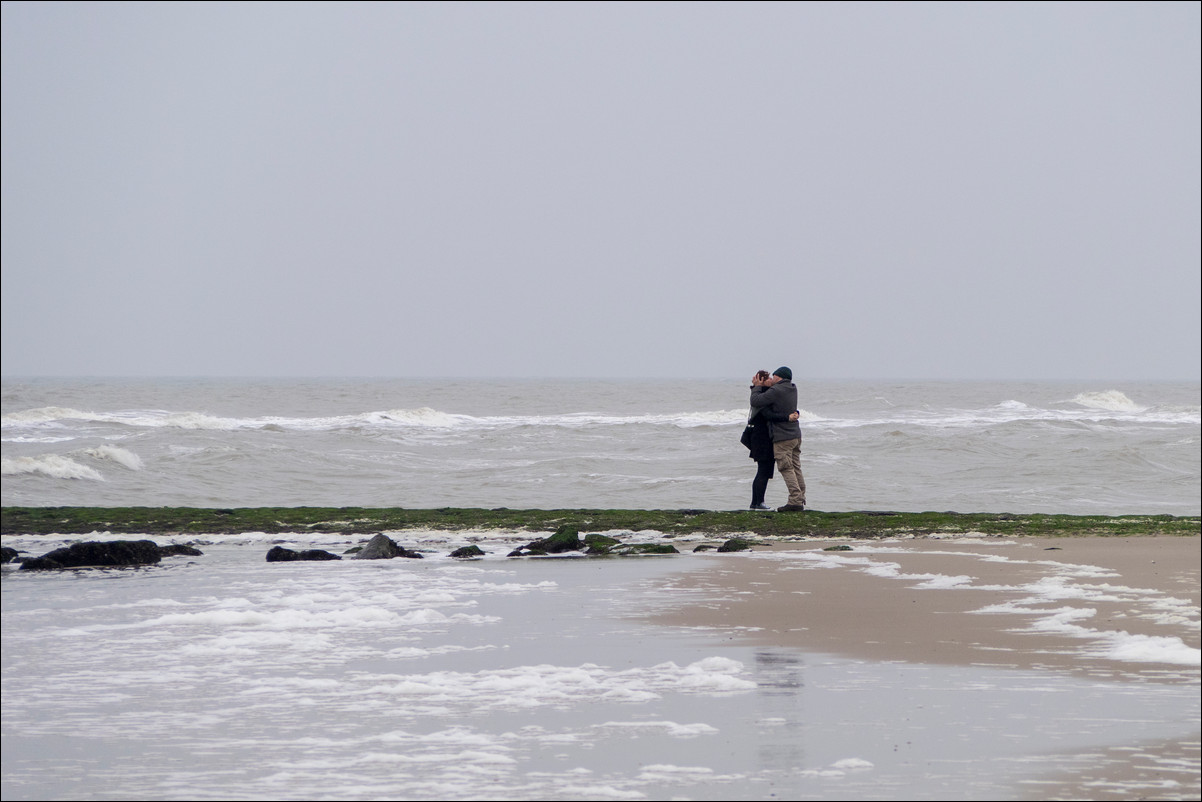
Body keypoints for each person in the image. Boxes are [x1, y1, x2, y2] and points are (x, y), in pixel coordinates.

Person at [749, 366, 806, 511]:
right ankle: (800, 497)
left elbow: (755, 401)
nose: (771, 380)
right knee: (796, 467)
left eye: (772, 377)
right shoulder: (793, 388)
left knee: (786, 468)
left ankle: (795, 501)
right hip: (795, 435)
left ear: (778, 377)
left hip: (783, 437)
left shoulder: (776, 390)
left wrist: (757, 387)